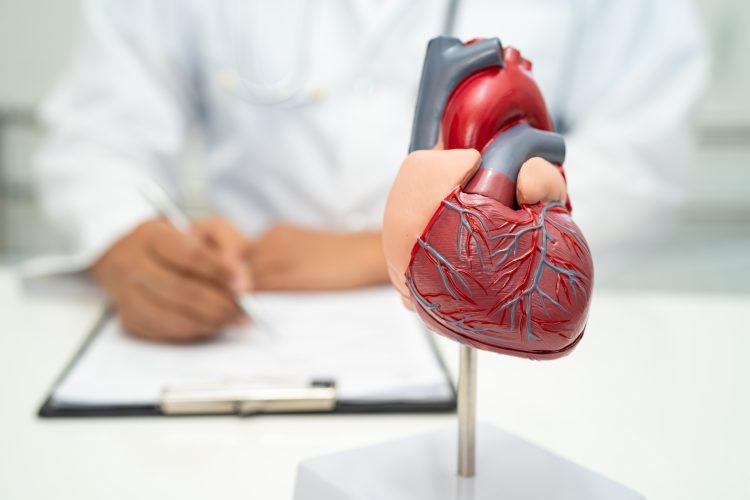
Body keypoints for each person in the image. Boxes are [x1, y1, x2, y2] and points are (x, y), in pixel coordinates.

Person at [34, 0, 708, 342]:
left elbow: (640, 158)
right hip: (252, 325)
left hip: (504, 327)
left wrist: (377, 253)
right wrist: (126, 237)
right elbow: (97, 136)